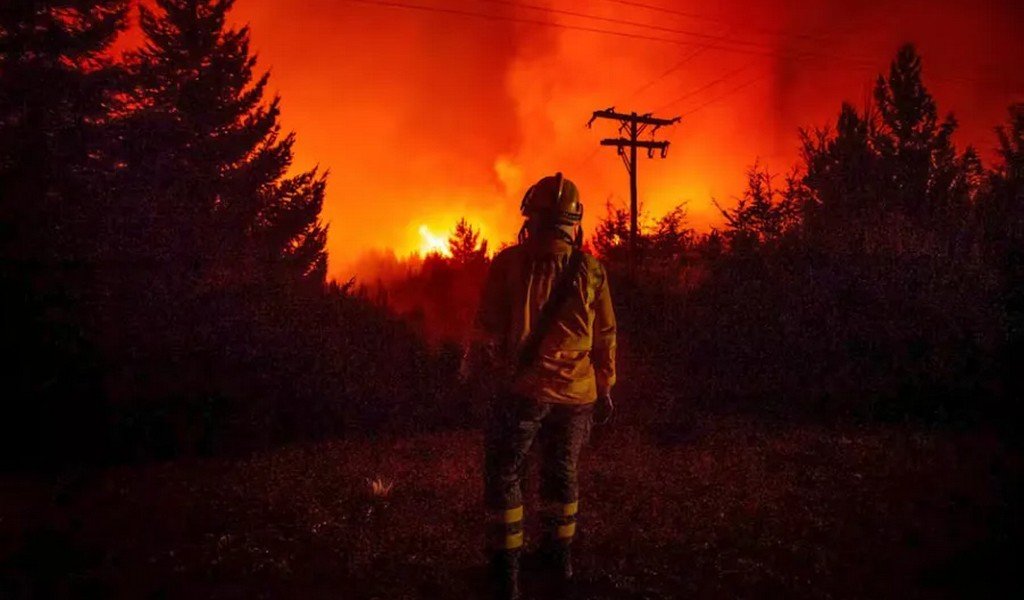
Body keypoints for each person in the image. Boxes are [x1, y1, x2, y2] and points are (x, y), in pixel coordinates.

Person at [464, 172, 617, 599]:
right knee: (561, 473)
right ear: (574, 221)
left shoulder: (509, 264)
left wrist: (476, 372)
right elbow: (606, 335)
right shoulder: (592, 270)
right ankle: (558, 564)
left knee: (505, 472)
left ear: (531, 217)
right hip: (578, 395)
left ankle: (506, 576)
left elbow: (487, 329)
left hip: (524, 391)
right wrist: (605, 385)